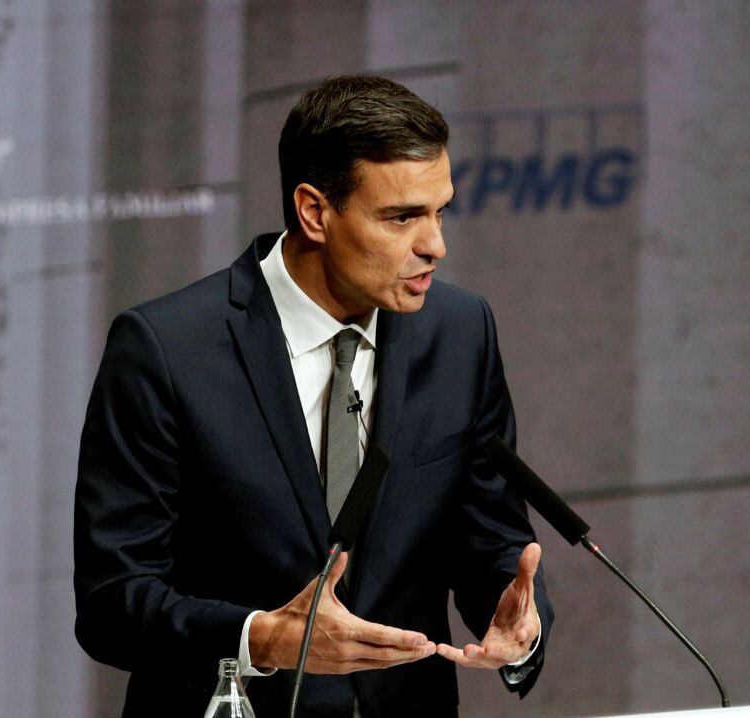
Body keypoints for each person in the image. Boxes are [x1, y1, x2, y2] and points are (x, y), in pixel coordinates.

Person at [74, 75, 553, 717]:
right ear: (314, 212)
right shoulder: (165, 349)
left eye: (440, 211)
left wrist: (515, 618)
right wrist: (263, 639)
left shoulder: (461, 331)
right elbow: (112, 600)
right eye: (402, 216)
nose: (434, 244)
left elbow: (492, 536)